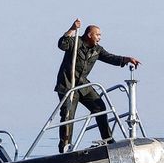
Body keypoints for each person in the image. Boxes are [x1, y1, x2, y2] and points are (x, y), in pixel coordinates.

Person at [55, 19, 140, 153]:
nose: (99, 38)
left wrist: (126, 59)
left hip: (83, 85)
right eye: (97, 35)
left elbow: (110, 57)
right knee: (68, 115)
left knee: (100, 107)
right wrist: (72, 28)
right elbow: (62, 44)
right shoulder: (75, 42)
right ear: (89, 35)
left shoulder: (97, 50)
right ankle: (65, 148)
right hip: (68, 85)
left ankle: (107, 139)